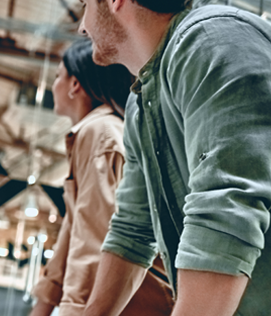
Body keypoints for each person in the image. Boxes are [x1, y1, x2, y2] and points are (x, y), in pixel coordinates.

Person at [75, 0, 271, 315]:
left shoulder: (212, 39)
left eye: (85, 4)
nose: (82, 26)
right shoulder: (141, 105)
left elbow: (225, 211)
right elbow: (133, 230)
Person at [28, 39, 173, 316]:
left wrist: (75, 309)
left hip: (131, 304)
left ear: (75, 85)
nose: (53, 84)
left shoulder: (100, 133)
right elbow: (73, 229)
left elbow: (96, 238)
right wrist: (45, 303)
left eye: (58, 75)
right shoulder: (96, 132)